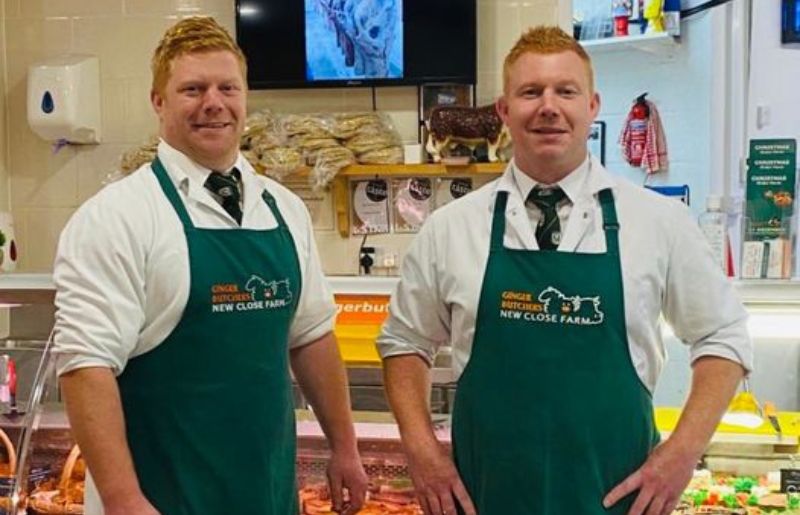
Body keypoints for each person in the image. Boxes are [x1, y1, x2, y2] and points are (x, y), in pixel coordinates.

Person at [378, 26, 752, 515]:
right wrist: (422, 451)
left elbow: (724, 337)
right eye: (530, 92)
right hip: (484, 498)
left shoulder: (658, 222)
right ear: (503, 112)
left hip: (618, 500)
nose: (548, 106)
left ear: (592, 105)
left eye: (566, 91)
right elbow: (404, 342)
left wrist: (682, 453)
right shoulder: (450, 228)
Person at [53, 17, 367, 515]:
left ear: (246, 97)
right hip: (161, 499)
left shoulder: (283, 208)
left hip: (268, 493)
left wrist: (344, 446)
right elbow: (84, 367)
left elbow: (311, 336)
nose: (213, 104)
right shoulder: (117, 216)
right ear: (158, 101)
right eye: (192, 90)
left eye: (228, 88)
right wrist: (122, 498)